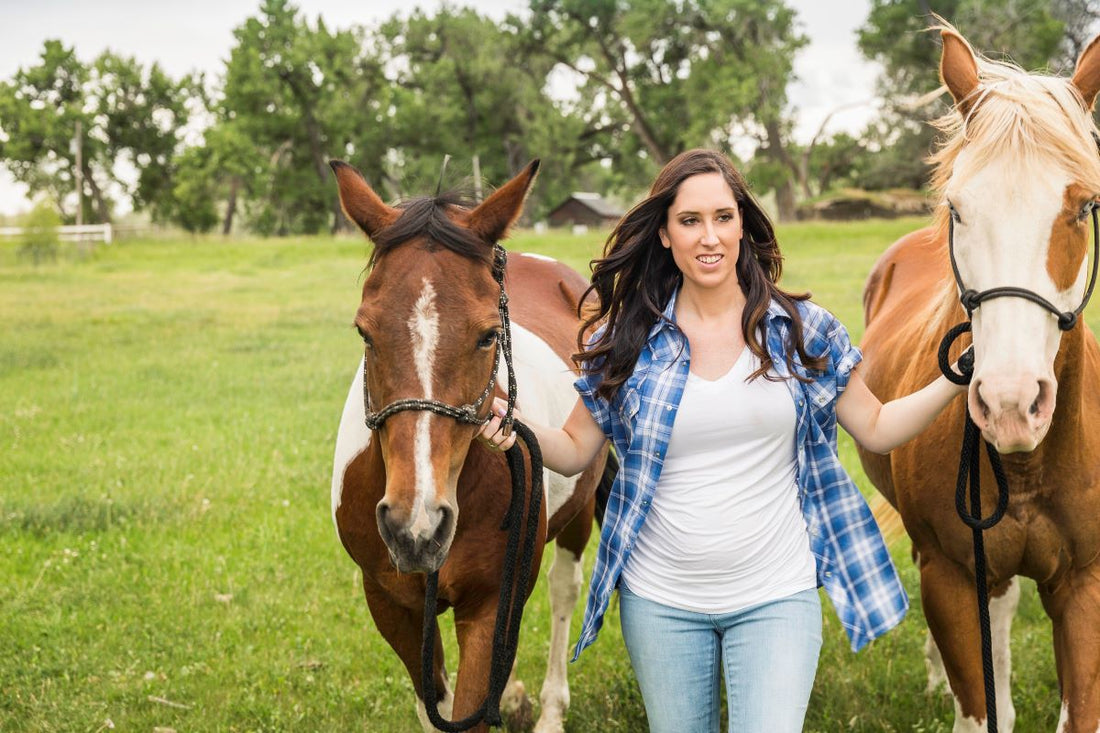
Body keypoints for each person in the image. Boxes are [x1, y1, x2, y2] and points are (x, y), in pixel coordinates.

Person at [478, 149, 966, 732]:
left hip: (776, 595)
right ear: (663, 233)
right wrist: (517, 427)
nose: (709, 237)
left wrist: (955, 378)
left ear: (743, 225)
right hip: (660, 603)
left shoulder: (801, 331)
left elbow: (879, 428)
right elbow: (575, 449)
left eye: (723, 217)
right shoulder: (627, 339)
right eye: (690, 221)